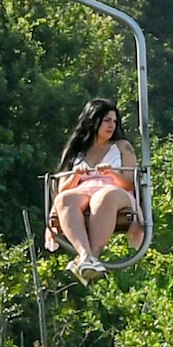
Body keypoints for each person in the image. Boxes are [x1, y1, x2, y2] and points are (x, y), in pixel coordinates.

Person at [45, 98, 145, 278]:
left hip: (115, 191)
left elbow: (129, 183)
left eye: (114, 121)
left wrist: (111, 173)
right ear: (93, 120)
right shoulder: (76, 149)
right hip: (83, 190)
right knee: (64, 200)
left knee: (103, 197)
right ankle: (86, 257)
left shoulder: (122, 146)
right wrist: (76, 174)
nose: (111, 125)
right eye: (107, 120)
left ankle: (93, 256)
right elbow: (62, 189)